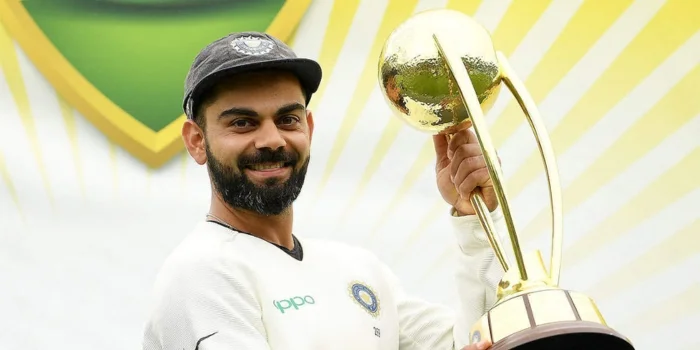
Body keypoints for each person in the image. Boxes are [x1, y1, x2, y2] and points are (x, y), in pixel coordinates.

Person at [141, 31, 506, 350]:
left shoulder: (357, 270)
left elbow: (482, 337)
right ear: (196, 141)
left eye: (287, 119)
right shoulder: (200, 274)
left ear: (309, 128)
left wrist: (475, 217)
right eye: (242, 123)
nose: (271, 140)